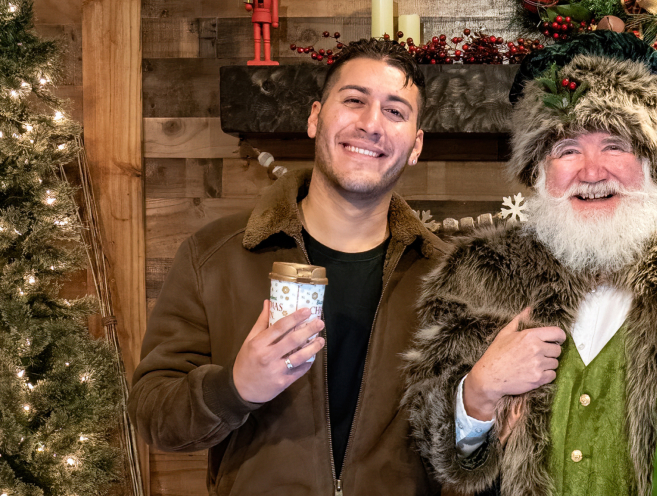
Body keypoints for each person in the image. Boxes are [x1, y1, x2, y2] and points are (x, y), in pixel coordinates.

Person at [401, 32, 657, 496]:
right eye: (567, 149)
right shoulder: (478, 273)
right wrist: (479, 389)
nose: (592, 172)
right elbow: (436, 452)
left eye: (615, 145)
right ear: (538, 170)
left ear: (653, 163)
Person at [129, 39, 446, 495]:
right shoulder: (214, 255)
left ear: (415, 145)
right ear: (315, 118)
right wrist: (234, 388)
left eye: (395, 111)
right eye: (354, 101)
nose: (371, 124)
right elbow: (152, 413)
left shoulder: (448, 279)